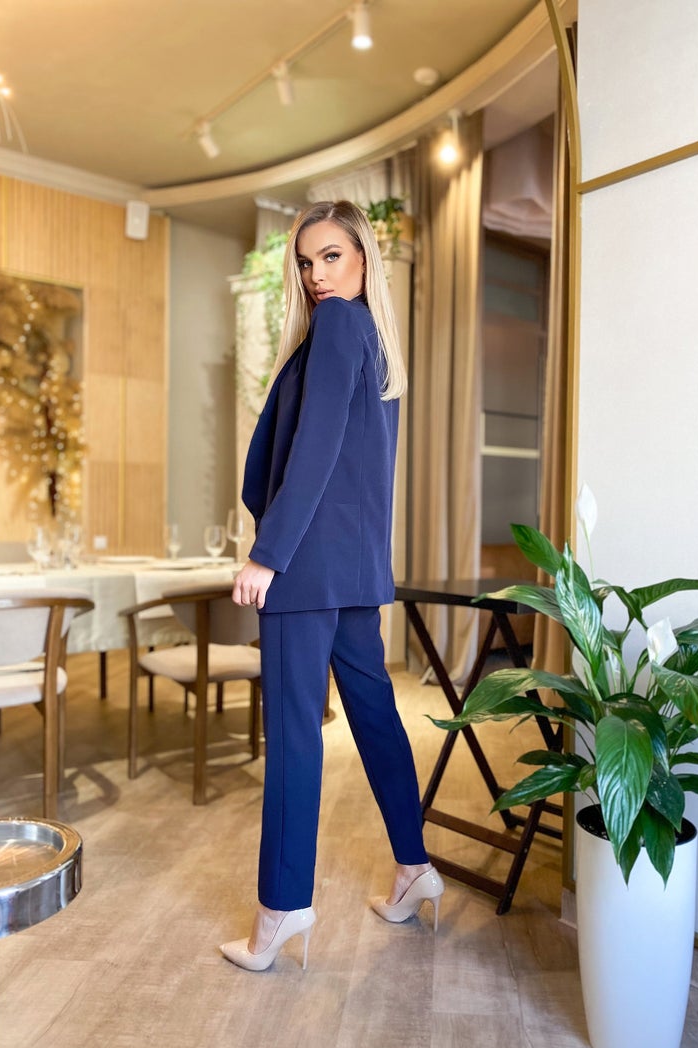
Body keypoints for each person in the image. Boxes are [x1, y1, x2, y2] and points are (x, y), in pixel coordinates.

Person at [221, 200, 444, 972]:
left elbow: (313, 449)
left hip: (306, 567)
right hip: (352, 569)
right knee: (375, 716)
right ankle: (414, 866)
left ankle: (281, 908)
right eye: (307, 261)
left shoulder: (339, 325)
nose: (317, 274)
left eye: (332, 256)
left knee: (293, 734)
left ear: (363, 258)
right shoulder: (370, 337)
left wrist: (268, 553)